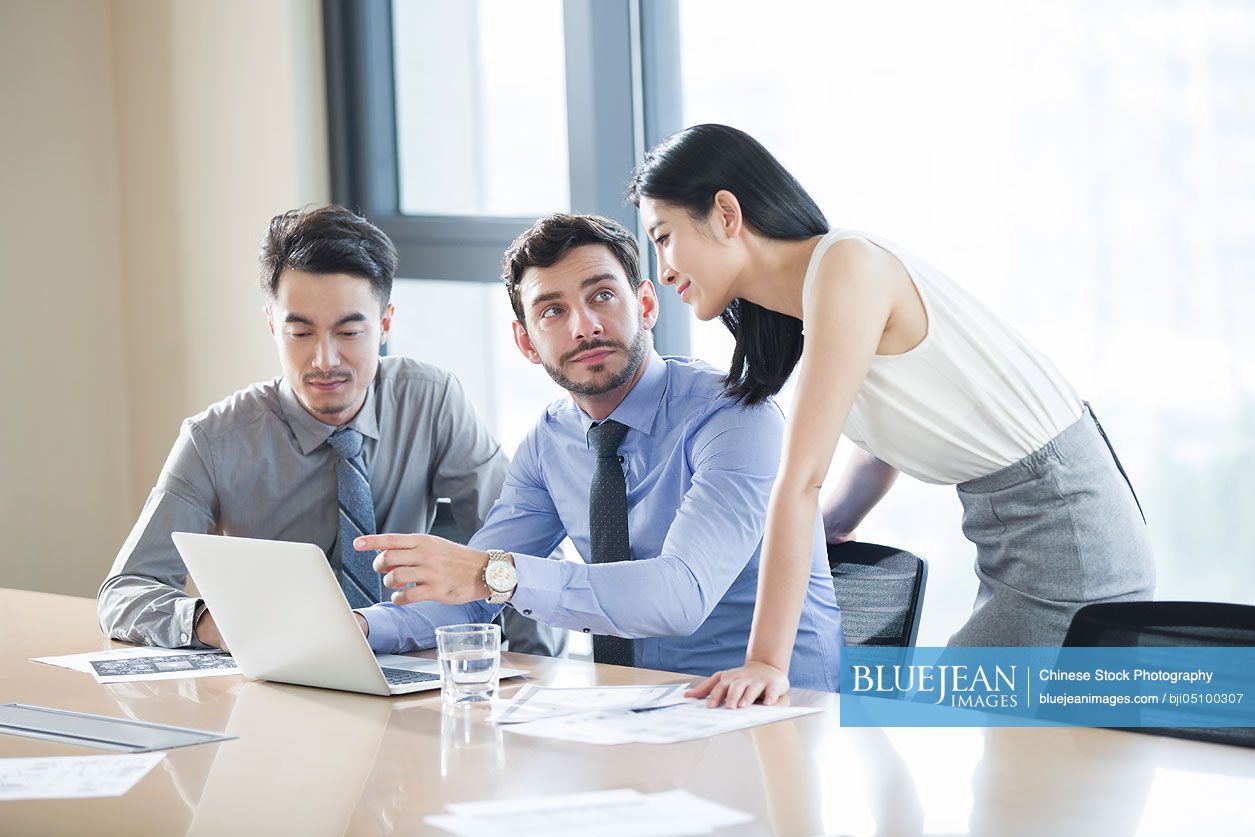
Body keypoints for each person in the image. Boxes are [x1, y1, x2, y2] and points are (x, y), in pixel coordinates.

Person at [628, 123, 1155, 706]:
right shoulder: (816, 299)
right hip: (1030, 531)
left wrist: (765, 662)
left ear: (727, 213)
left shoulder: (848, 267)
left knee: (961, 727)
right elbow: (886, 433)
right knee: (999, 764)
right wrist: (833, 525)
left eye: (664, 237)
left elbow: (799, 480)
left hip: (1065, 535)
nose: (664, 270)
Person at [350, 213, 843, 692]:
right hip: (635, 709)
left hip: (774, 708)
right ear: (526, 341)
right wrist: (360, 629)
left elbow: (680, 596)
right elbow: (471, 596)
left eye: (602, 296)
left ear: (646, 305)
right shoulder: (550, 441)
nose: (583, 327)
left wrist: (493, 573)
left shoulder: (736, 416)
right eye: (552, 311)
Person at [97, 205, 563, 657]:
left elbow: (519, 555)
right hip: (277, 679)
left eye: (348, 332)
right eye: (300, 333)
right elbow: (124, 592)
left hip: (407, 664)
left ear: (384, 324)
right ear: (271, 325)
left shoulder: (431, 400)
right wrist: (208, 621)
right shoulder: (214, 440)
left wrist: (537, 677)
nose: (324, 361)